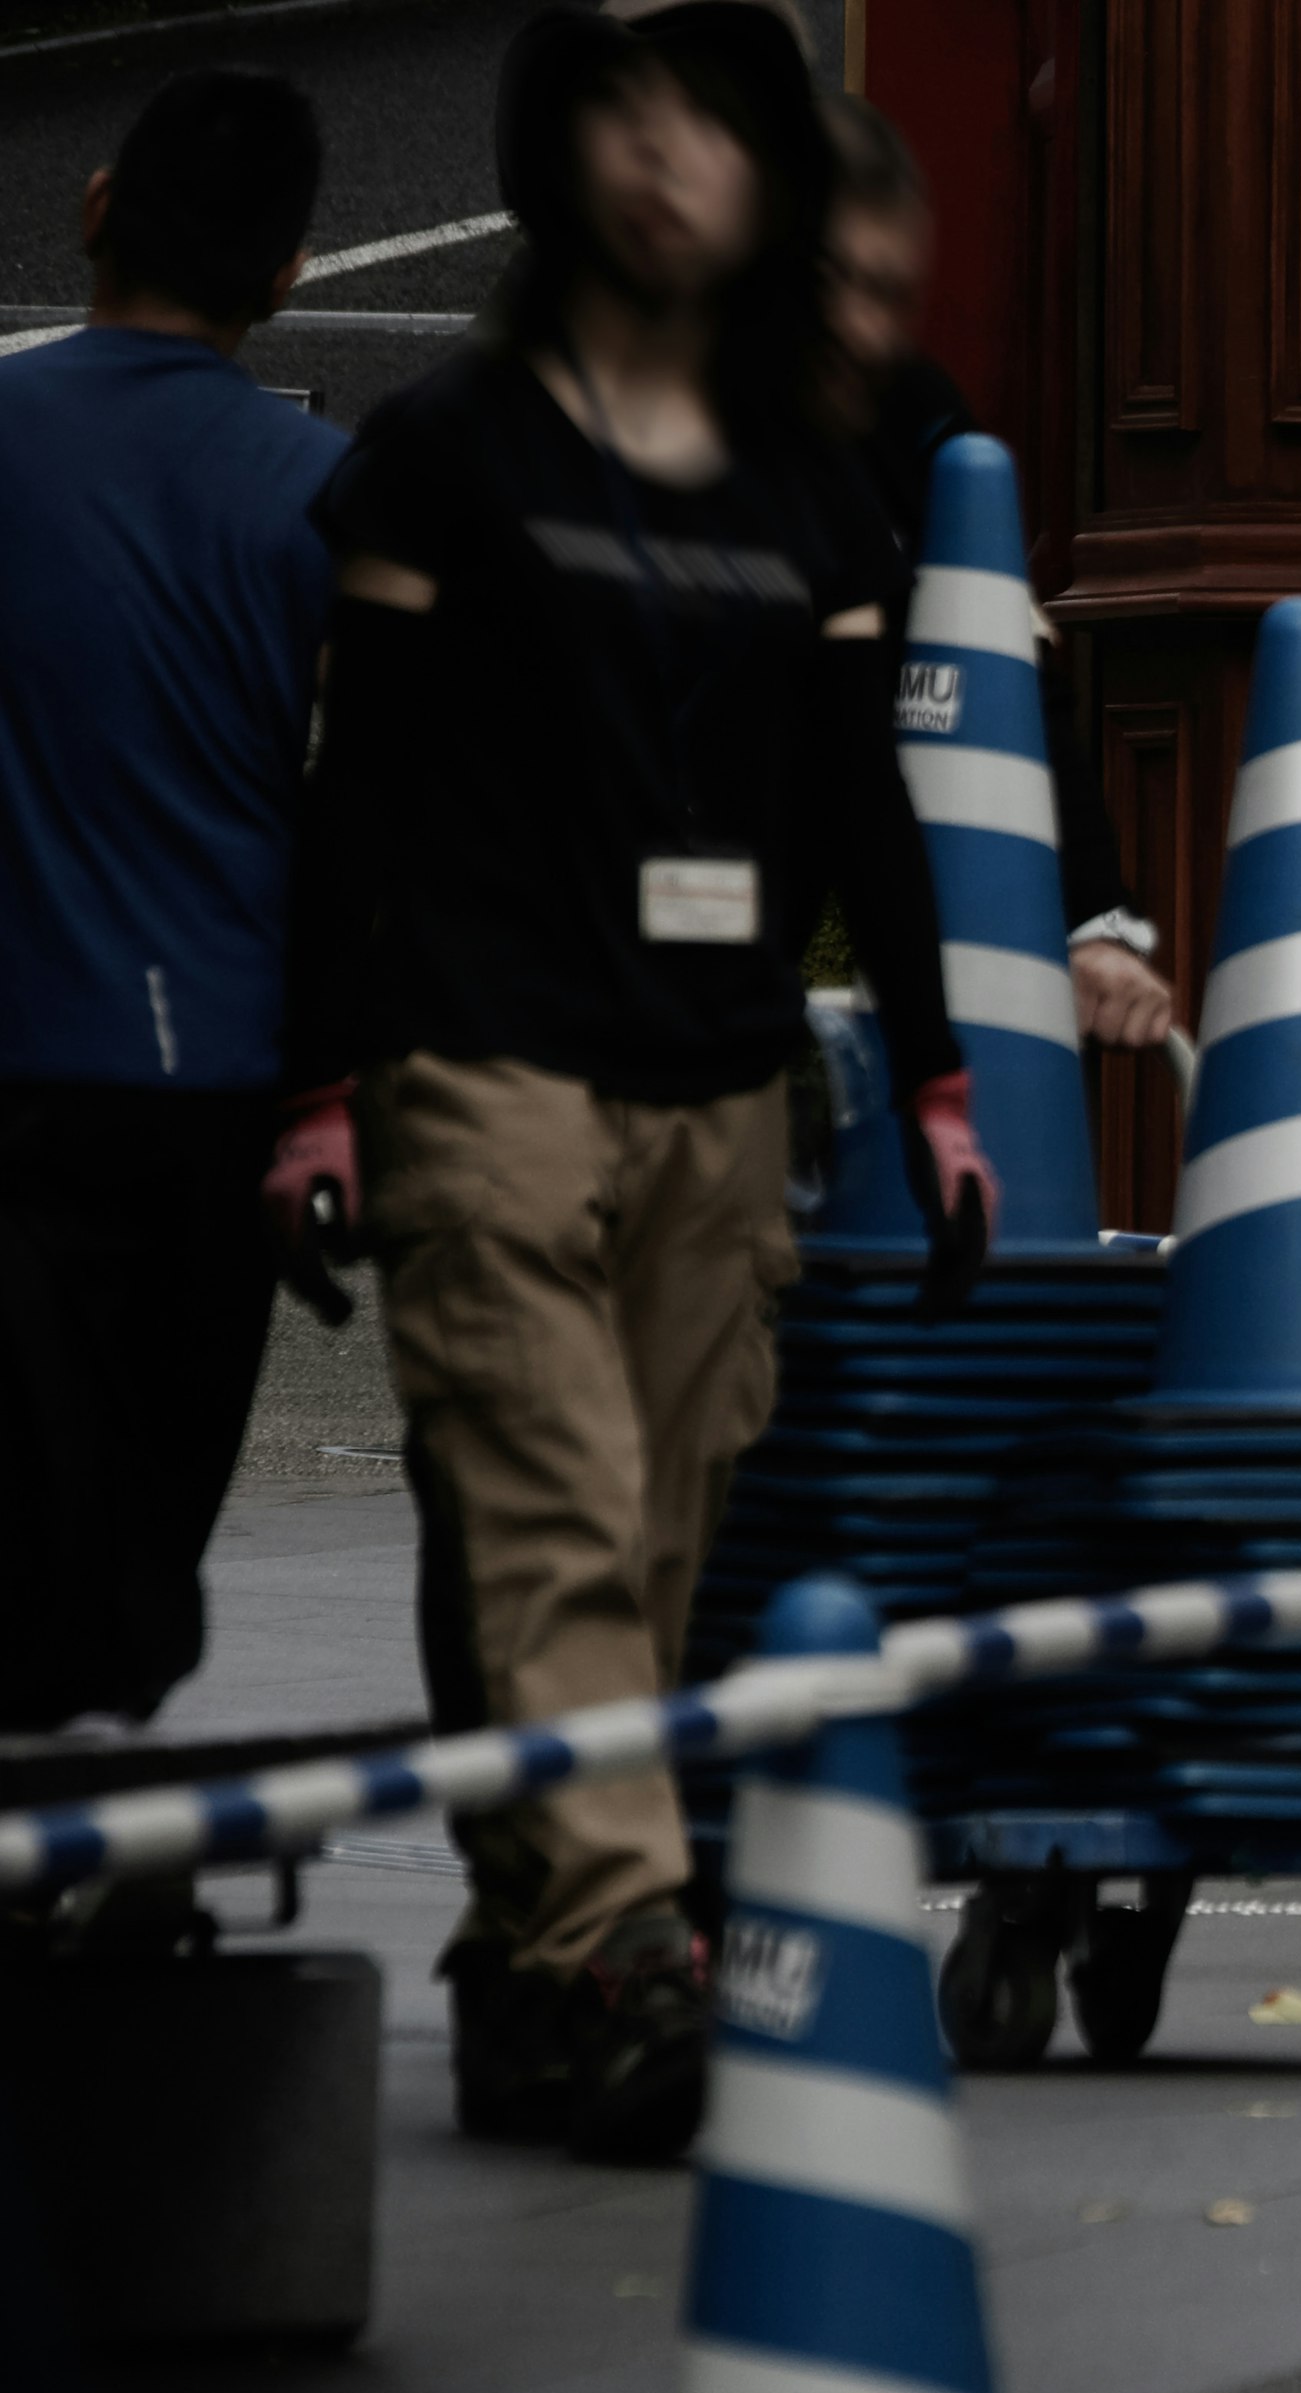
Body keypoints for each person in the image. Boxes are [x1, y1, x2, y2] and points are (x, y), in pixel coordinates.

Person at [273, 0, 996, 2161]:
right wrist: (317, 1091)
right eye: (626, 121)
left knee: (656, 1545)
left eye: (713, 125)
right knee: (557, 1508)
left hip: (719, 1082)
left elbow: (866, 803)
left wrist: (945, 1087)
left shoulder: (814, 497)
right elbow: (360, 796)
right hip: (485, 1060)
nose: (668, 160)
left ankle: (529, 1964)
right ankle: (631, 1932)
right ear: (560, 160)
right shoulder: (450, 454)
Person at [0, 73, 339, 1738]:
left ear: (92, 207)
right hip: (224, 1078)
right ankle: (110, 1828)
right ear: (286, 279)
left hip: (19, 1062)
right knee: (149, 1521)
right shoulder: (316, 490)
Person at [818, 91, 1174, 1047]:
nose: (859, 328)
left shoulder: (918, 420)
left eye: (887, 293)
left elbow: (1015, 679)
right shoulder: (639, 430)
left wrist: (1096, 924)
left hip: (844, 933)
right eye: (830, 280)